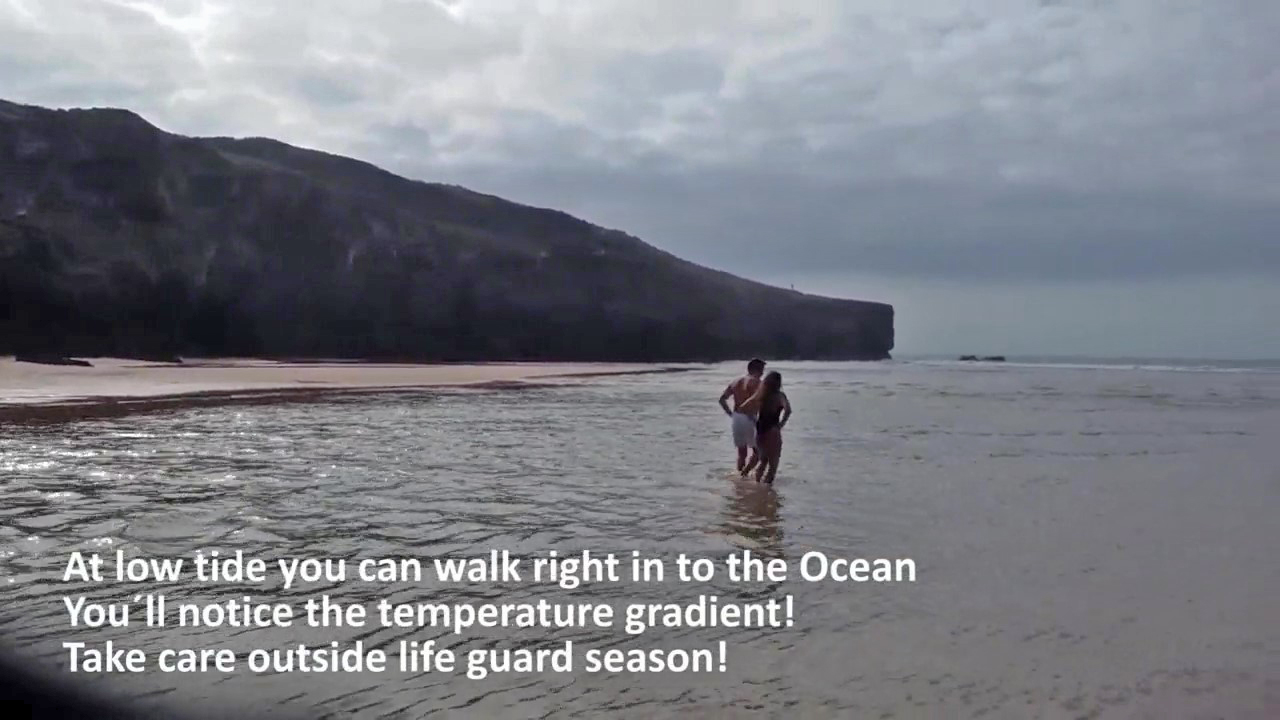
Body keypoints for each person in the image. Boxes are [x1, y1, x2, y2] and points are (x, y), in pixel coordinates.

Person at [739, 371, 791, 484]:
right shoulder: (780, 396)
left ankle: (748, 479)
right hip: (772, 430)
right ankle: (766, 490)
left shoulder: (761, 394)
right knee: (773, 464)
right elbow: (788, 410)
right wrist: (781, 424)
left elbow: (743, 407)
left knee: (762, 459)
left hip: (760, 429)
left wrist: (751, 420)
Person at [719, 358, 766, 472]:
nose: (763, 373)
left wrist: (731, 414)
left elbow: (722, 400)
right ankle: (745, 474)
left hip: (737, 418)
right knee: (759, 451)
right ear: (757, 370)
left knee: (742, 452)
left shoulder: (735, 382)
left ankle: (740, 478)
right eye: (762, 370)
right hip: (750, 418)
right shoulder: (757, 382)